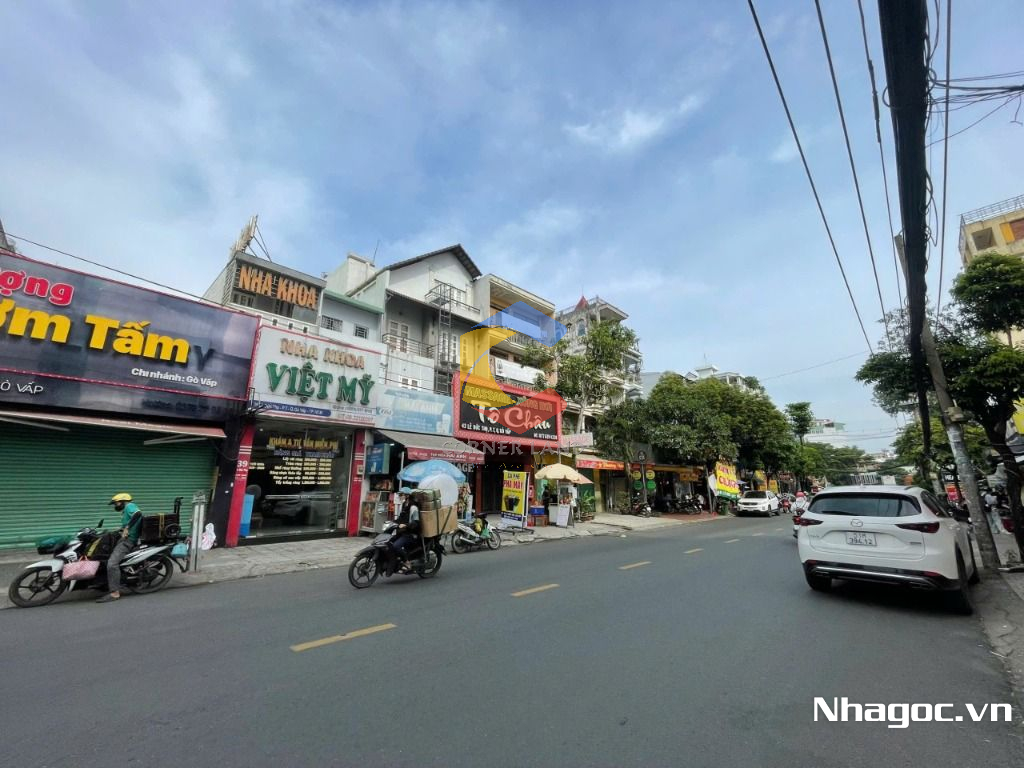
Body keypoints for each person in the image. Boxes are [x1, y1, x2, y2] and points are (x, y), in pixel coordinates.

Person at [96, 493, 143, 603]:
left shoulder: (129, 506)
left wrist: (127, 528)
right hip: (124, 538)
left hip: (128, 541)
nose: (115, 506)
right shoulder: (126, 509)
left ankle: (115, 593)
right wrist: (121, 529)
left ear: (122, 501)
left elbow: (138, 514)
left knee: (112, 564)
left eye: (116, 503)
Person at [391, 487, 421, 570]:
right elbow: (401, 518)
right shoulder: (404, 505)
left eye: (401, 494)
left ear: (407, 495)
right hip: (403, 532)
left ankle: (406, 562)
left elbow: (416, 523)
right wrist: (392, 522)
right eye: (399, 495)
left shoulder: (413, 507)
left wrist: (406, 525)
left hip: (411, 534)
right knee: (389, 542)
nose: (400, 496)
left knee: (396, 546)